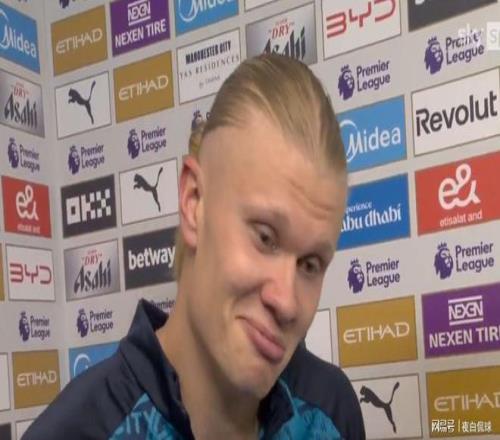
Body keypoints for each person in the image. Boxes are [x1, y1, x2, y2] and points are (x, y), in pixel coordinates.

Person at [23, 54, 365, 440]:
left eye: (310, 264)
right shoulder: (76, 431)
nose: (286, 302)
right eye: (265, 238)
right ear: (194, 202)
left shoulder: (331, 410)